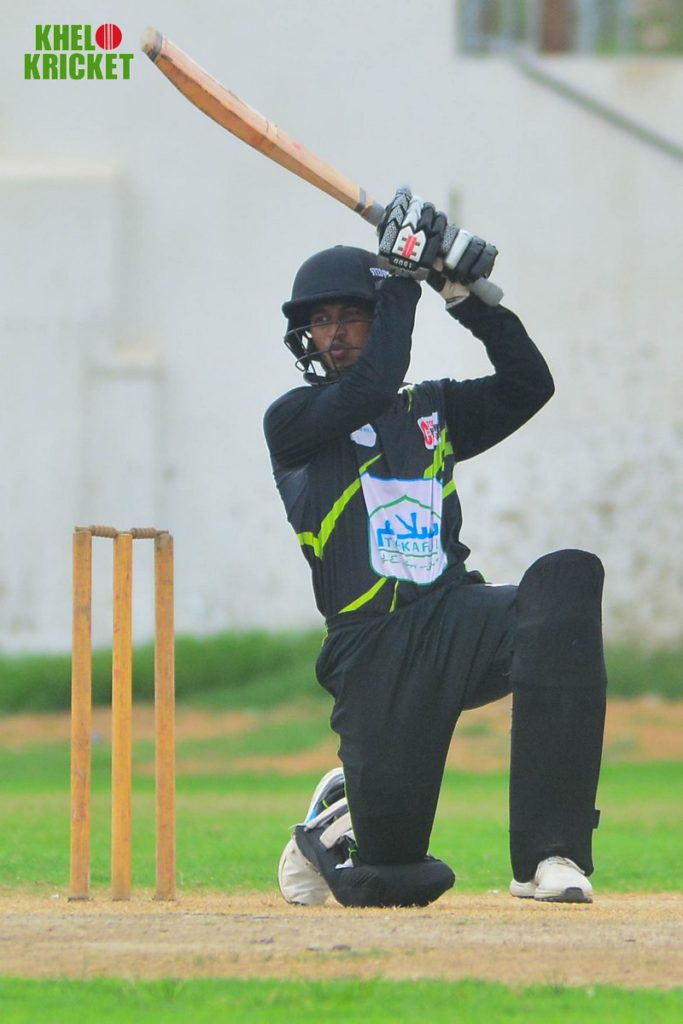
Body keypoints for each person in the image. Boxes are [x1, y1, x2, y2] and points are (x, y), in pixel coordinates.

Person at [263, 187, 607, 909]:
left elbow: (529, 384)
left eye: (351, 314)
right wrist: (399, 278)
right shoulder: (294, 421)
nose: (334, 333)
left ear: (375, 316)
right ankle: (336, 821)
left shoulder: (431, 411)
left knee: (566, 582)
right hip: (371, 651)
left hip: (455, 621)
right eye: (320, 320)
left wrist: (461, 295)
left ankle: (550, 854)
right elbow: (371, 387)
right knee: (395, 880)